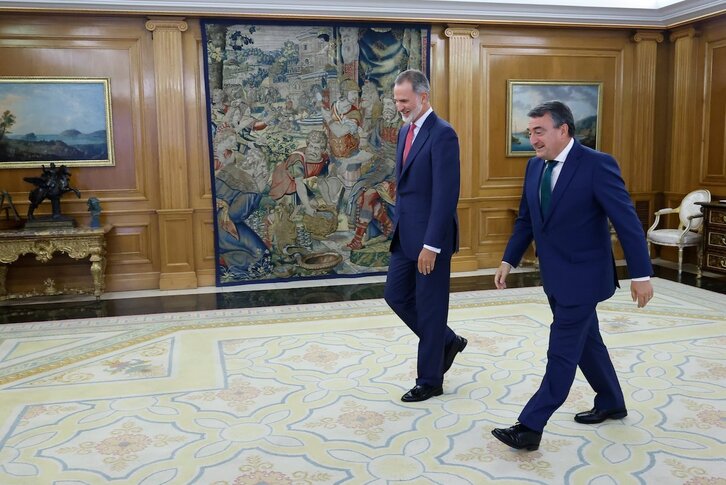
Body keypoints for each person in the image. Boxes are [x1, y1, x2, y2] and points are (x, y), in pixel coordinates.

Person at [491, 101, 654, 451]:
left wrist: (641, 274)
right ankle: (611, 400)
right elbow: (526, 221)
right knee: (588, 343)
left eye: (539, 131)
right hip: (554, 275)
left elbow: (626, 222)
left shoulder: (597, 165)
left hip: (584, 278)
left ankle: (530, 426)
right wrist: (509, 259)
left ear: (563, 129)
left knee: (562, 351)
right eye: (529, 131)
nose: (532, 138)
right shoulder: (534, 168)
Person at [383, 69, 467, 403]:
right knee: (395, 295)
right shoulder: (406, 132)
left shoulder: (443, 134)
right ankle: (447, 341)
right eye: (397, 100)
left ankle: (430, 379)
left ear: (423, 97)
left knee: (431, 309)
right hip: (405, 235)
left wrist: (431, 245)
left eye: (404, 100)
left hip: (431, 240)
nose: (400, 106)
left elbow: (446, 195)